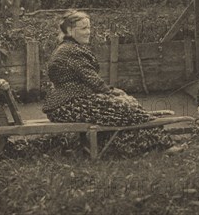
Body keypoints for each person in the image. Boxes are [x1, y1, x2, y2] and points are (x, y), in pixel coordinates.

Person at [42, 10, 173, 157]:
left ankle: (138, 146)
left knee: (127, 105)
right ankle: (160, 144)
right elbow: (93, 80)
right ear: (70, 30)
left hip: (67, 104)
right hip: (68, 105)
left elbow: (88, 82)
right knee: (126, 107)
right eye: (84, 28)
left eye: (89, 28)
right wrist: (113, 92)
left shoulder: (68, 48)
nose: (88, 32)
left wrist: (114, 94)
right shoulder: (71, 51)